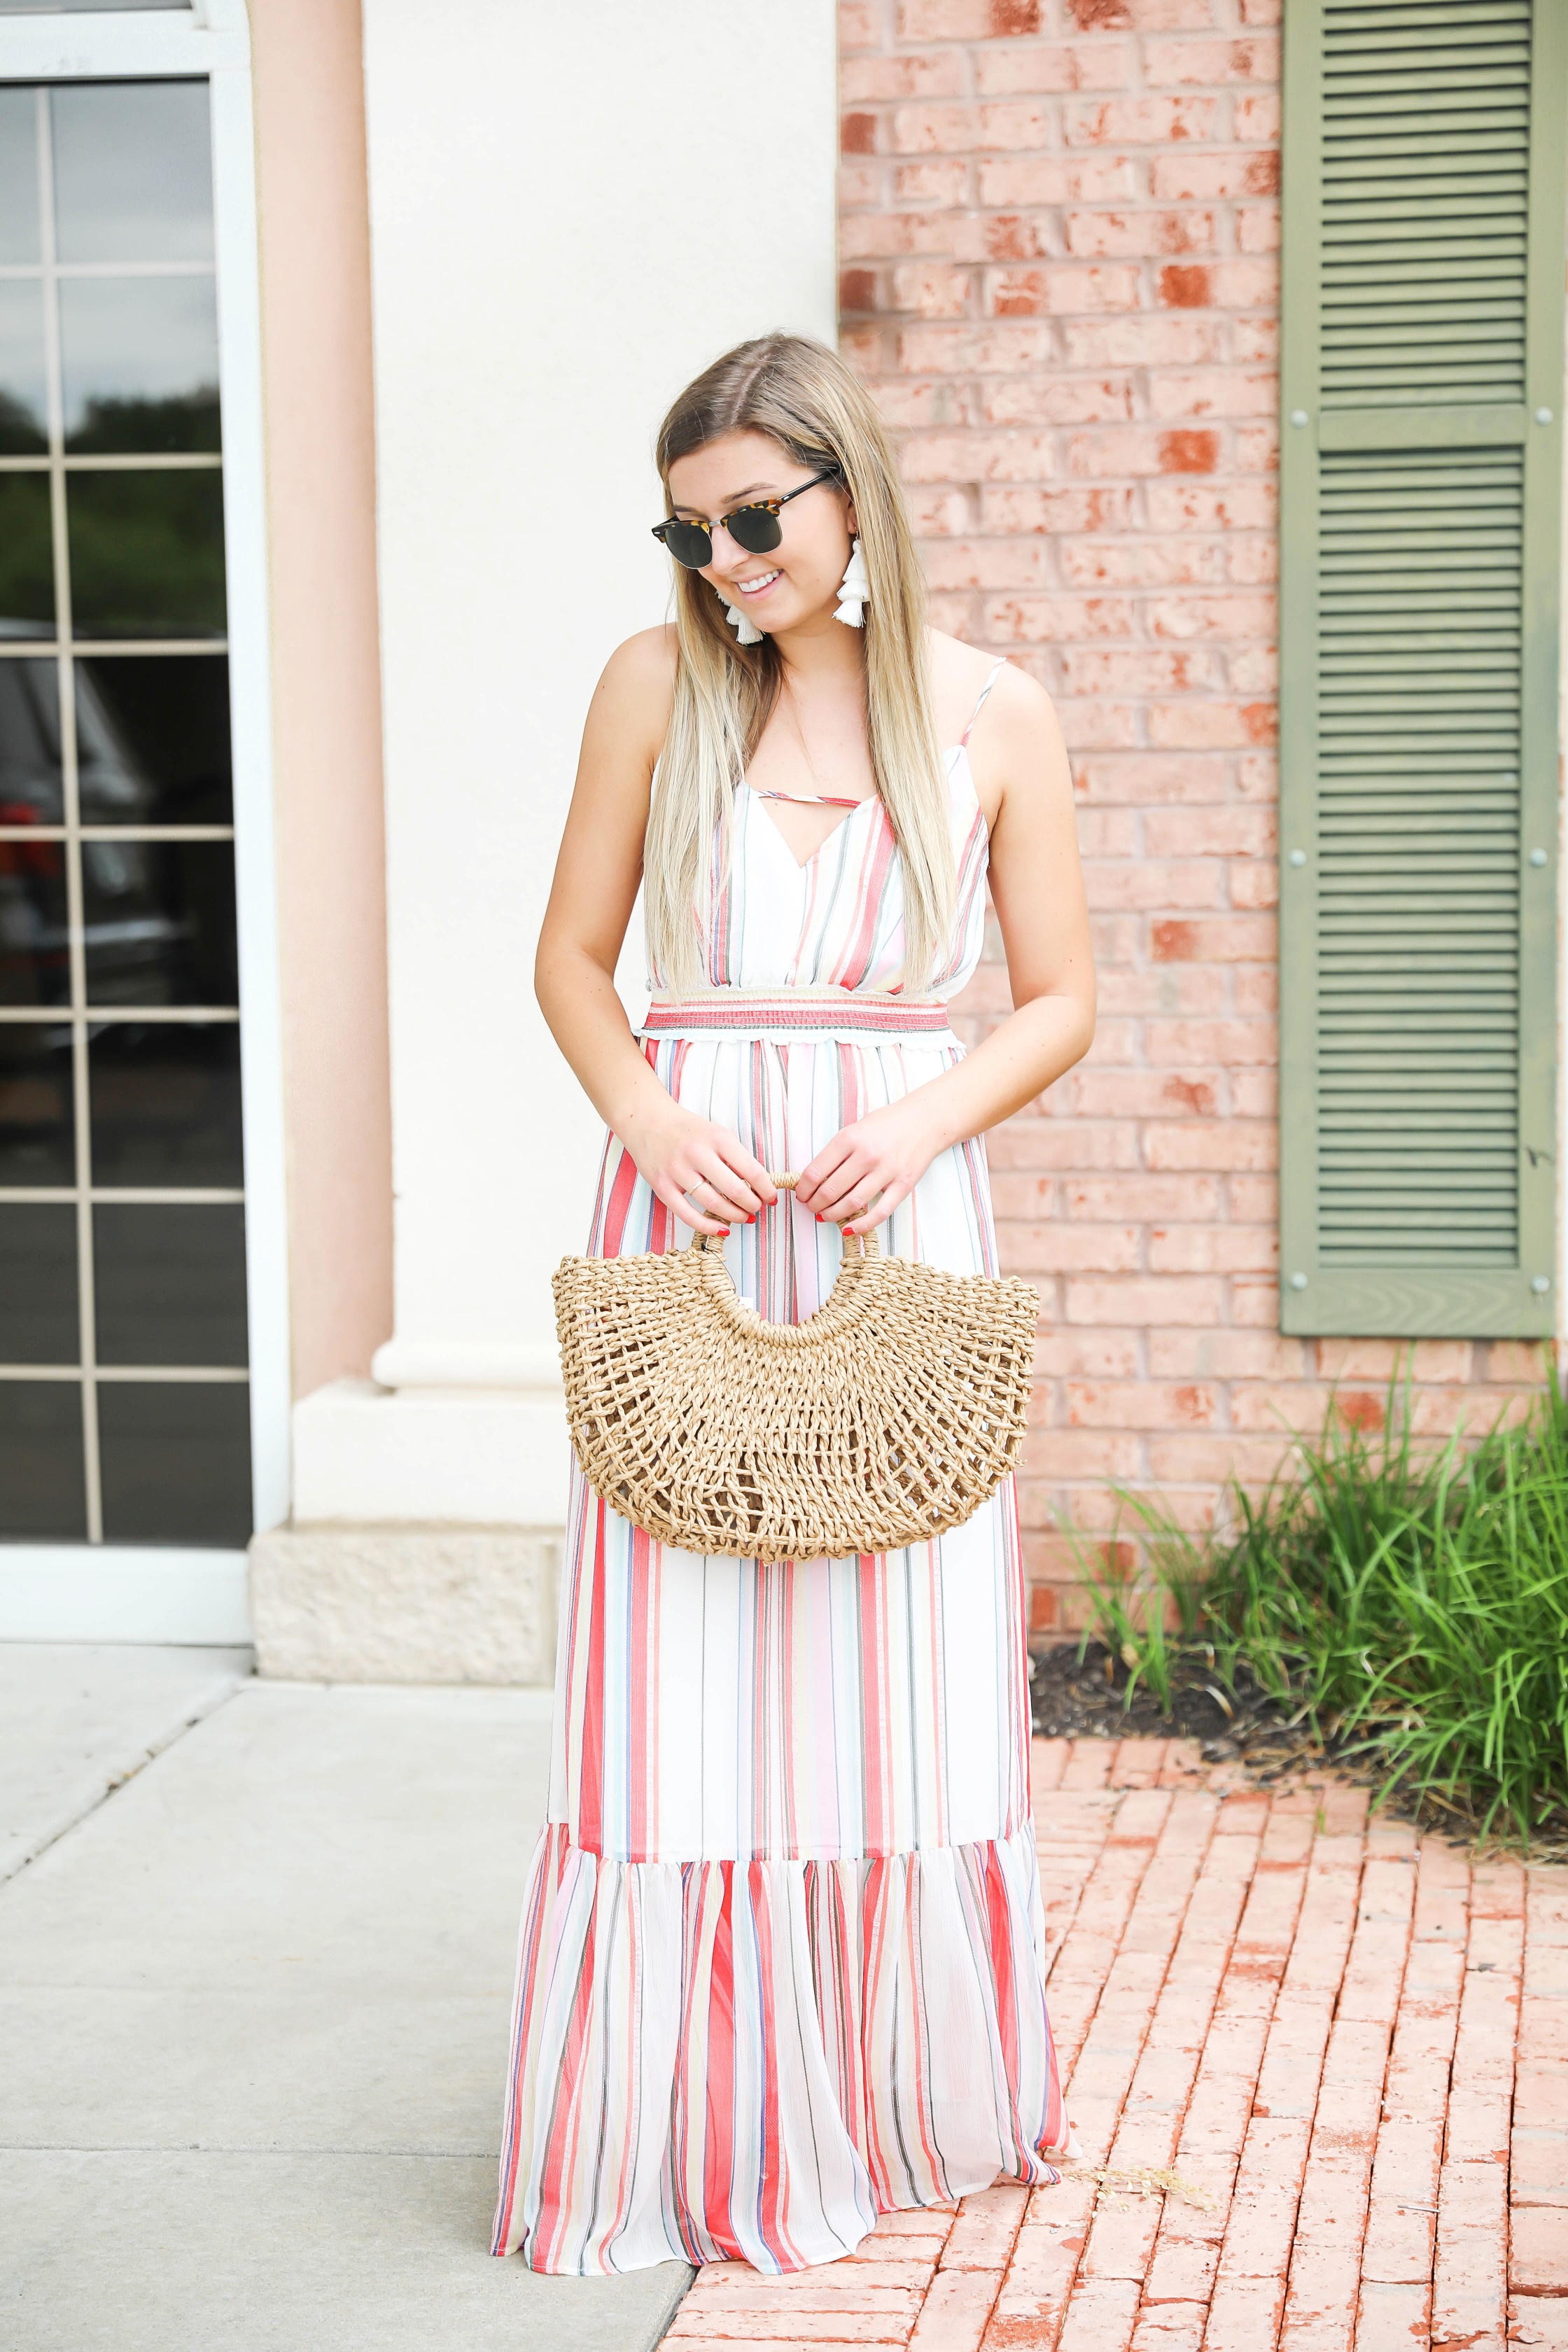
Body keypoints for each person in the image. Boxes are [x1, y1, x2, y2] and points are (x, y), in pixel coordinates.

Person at [492, 332, 1096, 2276]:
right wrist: (653, 1109)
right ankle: (688, 2132)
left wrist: (921, 1116)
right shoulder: (656, 684)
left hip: (898, 1225)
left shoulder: (995, 712)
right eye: (691, 529)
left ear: (855, 494)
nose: (726, 557)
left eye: (756, 517)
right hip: (692, 1210)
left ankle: (899, 2107)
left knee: (897, 1677)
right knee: (669, 1681)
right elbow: (573, 959)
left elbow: (1065, 999)